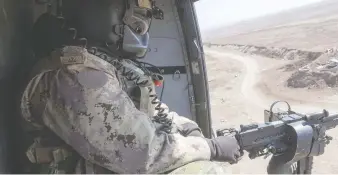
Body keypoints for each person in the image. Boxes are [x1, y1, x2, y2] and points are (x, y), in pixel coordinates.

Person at [18, 0, 241, 173]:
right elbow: (139, 153)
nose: (142, 23)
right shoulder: (74, 75)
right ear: (103, 11)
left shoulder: (104, 64)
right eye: (137, 11)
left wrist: (186, 127)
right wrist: (211, 148)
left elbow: (149, 113)